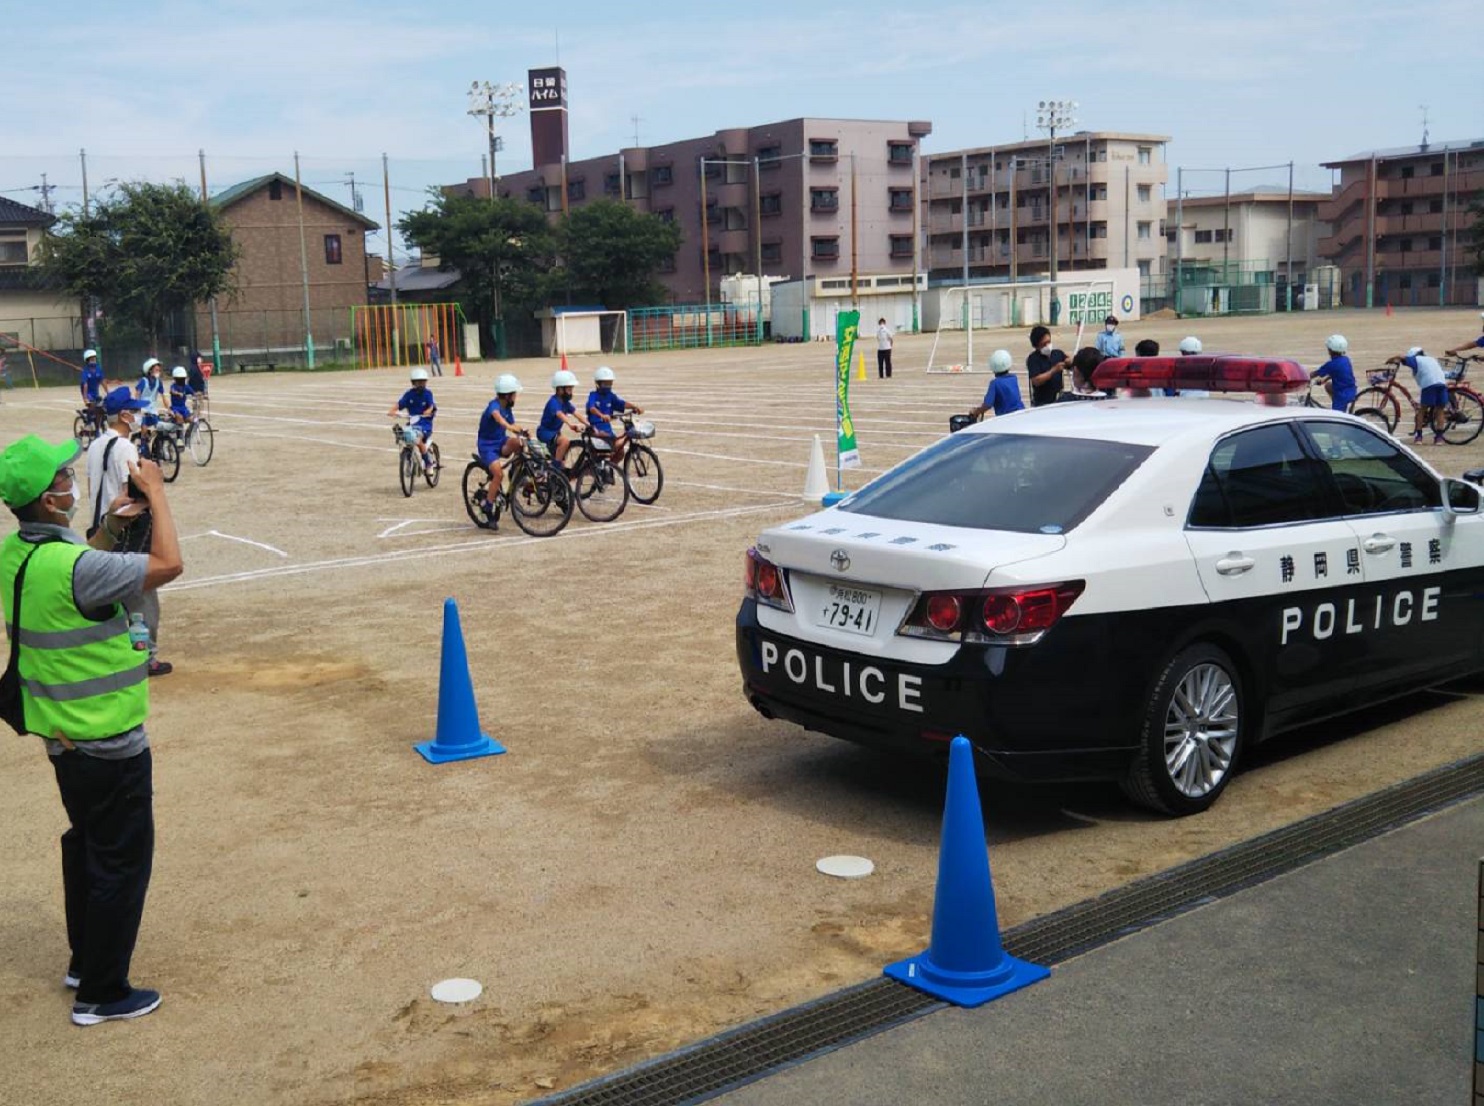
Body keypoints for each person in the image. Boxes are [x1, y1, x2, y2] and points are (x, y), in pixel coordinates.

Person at [0, 433, 182, 1026]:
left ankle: (86, 960)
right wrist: (156, 496)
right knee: (122, 861)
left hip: (64, 738)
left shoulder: (18, 555)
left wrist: (107, 523)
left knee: (89, 846)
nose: (70, 483)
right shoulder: (77, 567)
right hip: (108, 741)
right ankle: (102, 992)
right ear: (49, 500)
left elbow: (78, 562)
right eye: (62, 478)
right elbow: (167, 565)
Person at [85, 387, 171, 678]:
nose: (137, 415)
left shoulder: (96, 445)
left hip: (102, 527)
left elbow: (91, 489)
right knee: (142, 595)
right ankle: (146, 657)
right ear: (124, 415)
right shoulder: (125, 447)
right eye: (133, 411)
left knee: (110, 594)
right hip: (127, 527)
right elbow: (131, 492)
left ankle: (115, 650)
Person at [473, 374, 527, 526]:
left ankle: (516, 475)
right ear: (508, 395)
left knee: (520, 444)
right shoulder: (494, 406)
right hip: (487, 446)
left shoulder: (507, 408)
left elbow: (513, 425)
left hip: (501, 442)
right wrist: (509, 426)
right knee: (498, 474)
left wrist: (522, 431)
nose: (516, 397)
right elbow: (498, 419)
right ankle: (488, 506)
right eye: (514, 394)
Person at [1385, 346, 1448, 445]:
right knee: (1440, 410)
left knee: (1422, 410)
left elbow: (1402, 357)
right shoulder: (1431, 359)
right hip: (1442, 383)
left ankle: (1419, 437)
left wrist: (1391, 359)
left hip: (1429, 384)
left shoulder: (1416, 359)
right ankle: (1439, 438)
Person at [586, 366, 643, 462]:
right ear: (598, 384)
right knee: (611, 447)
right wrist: (601, 415)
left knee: (620, 453)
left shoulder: (610, 396)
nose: (608, 386)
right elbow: (592, 408)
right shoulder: (593, 395)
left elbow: (622, 403)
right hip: (596, 430)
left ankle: (608, 470)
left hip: (608, 431)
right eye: (605, 383)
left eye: (610, 383)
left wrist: (634, 407)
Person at [387, 368, 438, 474]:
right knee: (406, 437)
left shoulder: (428, 394)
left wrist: (428, 411)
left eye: (423, 382)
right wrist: (392, 411)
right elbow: (400, 404)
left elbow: (432, 406)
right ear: (413, 382)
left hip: (425, 424)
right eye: (418, 382)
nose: (421, 384)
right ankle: (408, 458)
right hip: (412, 423)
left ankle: (428, 463)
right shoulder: (409, 394)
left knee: (418, 440)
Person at [539, 369, 588, 469]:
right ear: (560, 389)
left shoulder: (565, 403)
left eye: (571, 389)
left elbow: (576, 413)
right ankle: (555, 469)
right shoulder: (553, 402)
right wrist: (571, 425)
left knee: (562, 459)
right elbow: (560, 414)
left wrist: (589, 424)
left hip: (556, 433)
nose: (571, 392)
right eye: (569, 389)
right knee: (565, 442)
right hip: (545, 432)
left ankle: (557, 468)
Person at [968, 350, 1025, 419]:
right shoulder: (1013, 378)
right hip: (1021, 413)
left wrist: (977, 411)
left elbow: (988, 404)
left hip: (1006, 418)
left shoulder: (995, 384)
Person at [1026, 326, 1071, 407]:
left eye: (1049, 342)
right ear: (1036, 346)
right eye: (1043, 344)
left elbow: (1070, 364)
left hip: (1059, 400)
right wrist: (1053, 370)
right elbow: (1036, 381)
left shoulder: (1058, 353)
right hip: (1042, 403)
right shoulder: (1033, 359)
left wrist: (1070, 361)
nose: (1047, 346)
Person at [1310, 334, 1357, 412]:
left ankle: (1338, 408)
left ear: (1330, 350)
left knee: (1337, 416)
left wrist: (1304, 378)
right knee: (1328, 386)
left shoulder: (1331, 364)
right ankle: (1337, 405)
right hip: (1352, 390)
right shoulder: (1346, 359)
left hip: (1342, 395)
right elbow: (1337, 372)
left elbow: (1315, 374)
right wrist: (1324, 380)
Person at [79, 350, 105, 414]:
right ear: (87, 361)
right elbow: (85, 385)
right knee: (92, 406)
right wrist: (85, 398)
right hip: (88, 393)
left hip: (96, 393)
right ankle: (89, 422)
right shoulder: (85, 371)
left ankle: (99, 423)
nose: (94, 361)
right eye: (92, 359)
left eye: (94, 359)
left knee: (101, 408)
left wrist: (108, 392)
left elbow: (103, 382)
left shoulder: (98, 369)